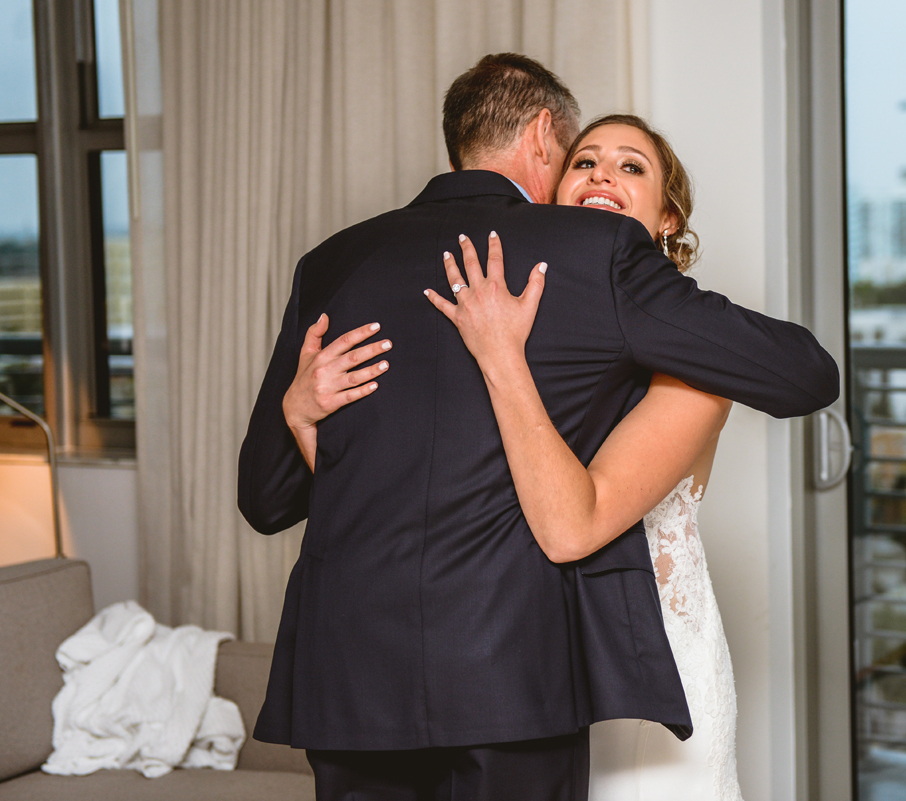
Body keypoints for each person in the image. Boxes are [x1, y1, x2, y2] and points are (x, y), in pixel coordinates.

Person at [239, 53, 839, 801]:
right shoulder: (592, 258)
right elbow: (806, 373)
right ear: (546, 137)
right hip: (509, 670)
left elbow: (265, 499)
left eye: (629, 166)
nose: (597, 177)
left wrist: (297, 409)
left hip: (349, 674)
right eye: (584, 156)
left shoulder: (330, 263)